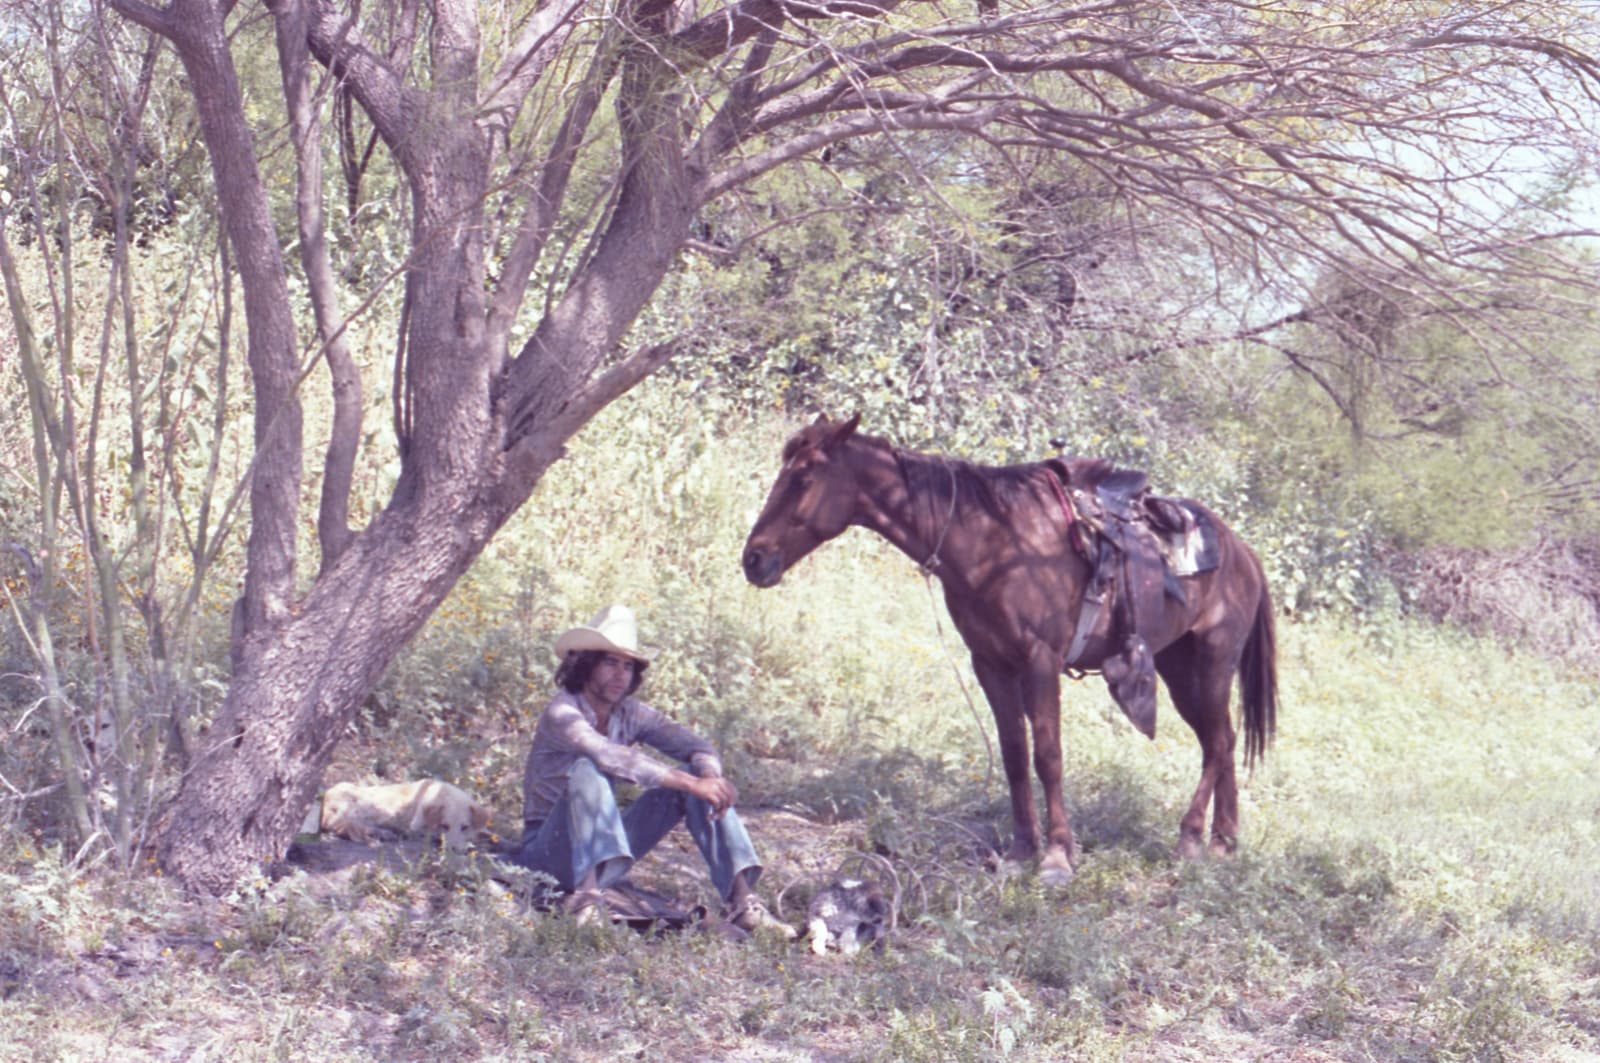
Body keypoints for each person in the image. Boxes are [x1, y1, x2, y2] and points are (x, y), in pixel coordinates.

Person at [513, 604, 794, 937]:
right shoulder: (562, 711)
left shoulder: (630, 712)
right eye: (609, 663)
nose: (620, 675)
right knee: (589, 769)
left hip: (601, 850)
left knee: (695, 776)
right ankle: (586, 904)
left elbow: (698, 746)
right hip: (547, 852)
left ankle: (744, 902)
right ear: (585, 665)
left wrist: (708, 777)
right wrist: (692, 783)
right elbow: (609, 756)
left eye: (628, 666)